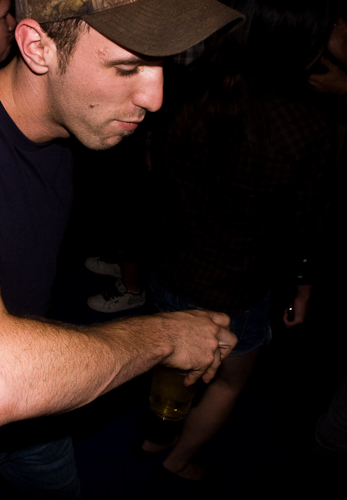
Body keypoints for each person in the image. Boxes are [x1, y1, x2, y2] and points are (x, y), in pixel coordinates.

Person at [0, 0, 244, 496]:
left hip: (43, 410)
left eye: (162, 65)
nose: (155, 97)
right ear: (36, 47)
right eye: (127, 67)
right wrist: (165, 336)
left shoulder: (75, 125)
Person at [141, 0, 339, 482]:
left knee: (171, 359)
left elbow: (154, 171)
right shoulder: (307, 123)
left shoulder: (186, 88)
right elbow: (306, 222)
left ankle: (155, 437)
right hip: (237, 288)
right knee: (228, 383)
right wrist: (303, 286)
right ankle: (175, 460)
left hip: (170, 264)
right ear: (300, 44)